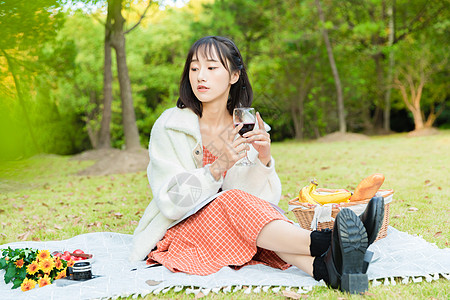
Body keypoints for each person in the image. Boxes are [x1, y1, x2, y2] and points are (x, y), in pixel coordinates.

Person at [130, 36, 385, 294]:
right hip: (179, 231)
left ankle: (326, 269)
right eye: (194, 68)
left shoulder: (245, 124)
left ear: (234, 75)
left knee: (246, 213)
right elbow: (171, 203)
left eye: (211, 67)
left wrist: (263, 160)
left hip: (231, 231)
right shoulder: (171, 125)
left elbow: (260, 206)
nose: (200, 76)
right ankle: (331, 242)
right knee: (230, 201)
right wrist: (218, 167)